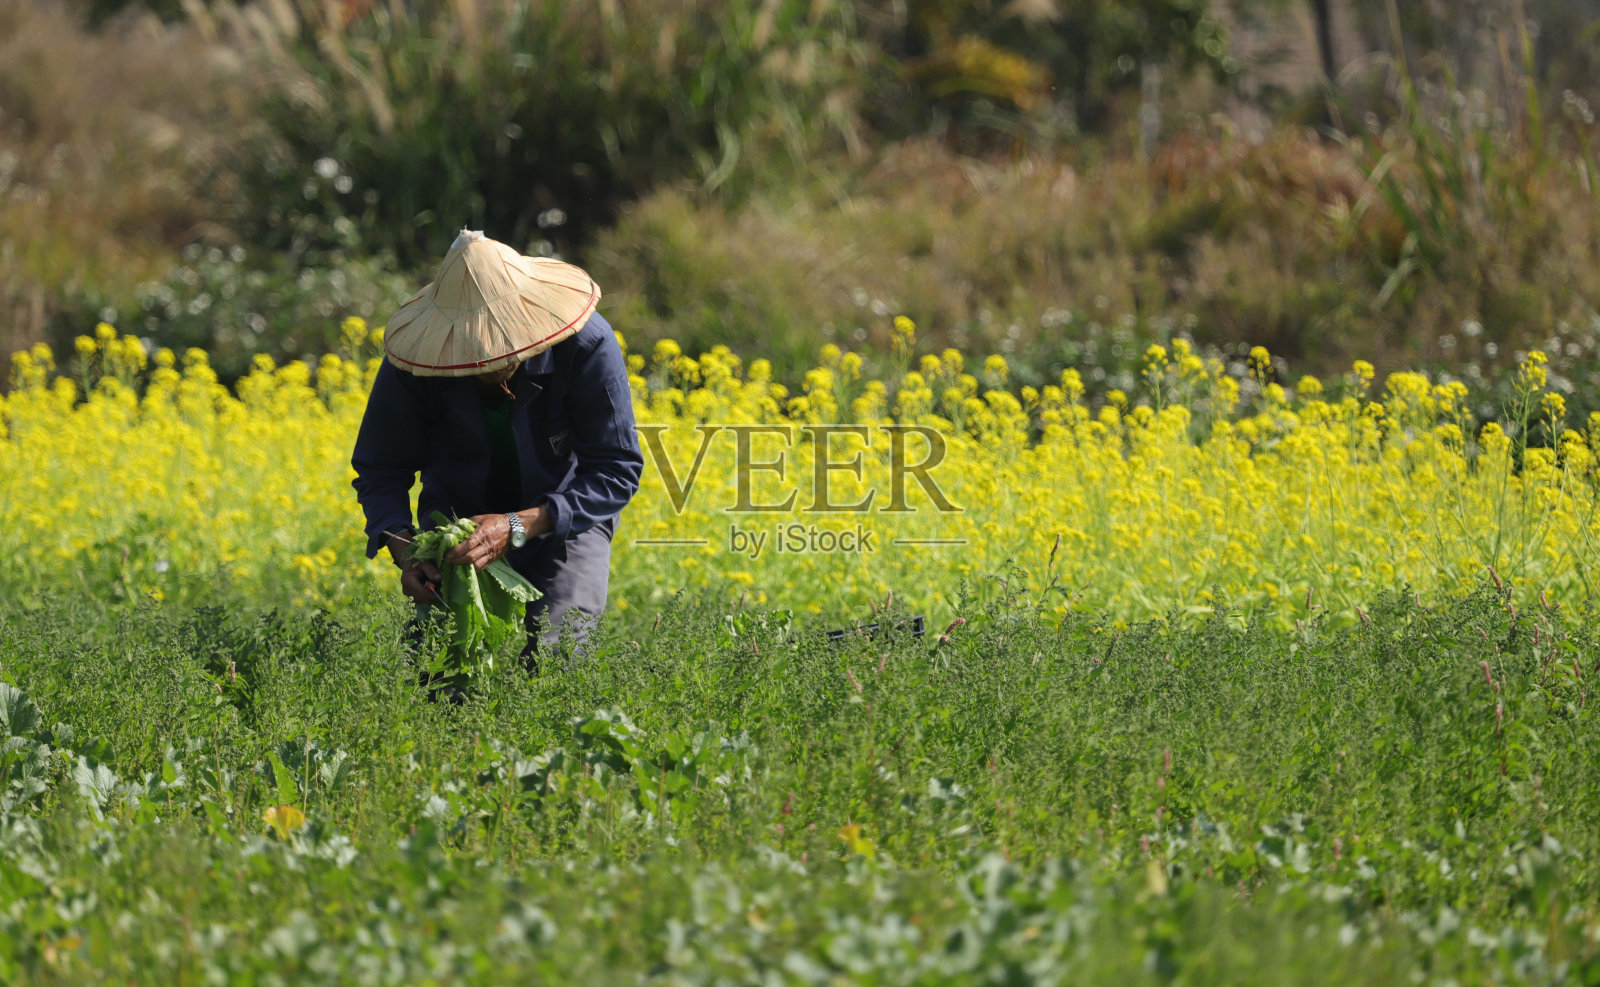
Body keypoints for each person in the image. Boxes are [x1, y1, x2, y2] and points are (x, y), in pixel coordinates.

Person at [350, 231, 642, 661]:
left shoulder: (585, 344)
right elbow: (380, 470)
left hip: (564, 516)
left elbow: (615, 471)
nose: (492, 361)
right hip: (456, 525)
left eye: (505, 348)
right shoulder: (416, 362)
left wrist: (517, 525)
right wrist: (406, 551)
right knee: (442, 670)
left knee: (556, 659)